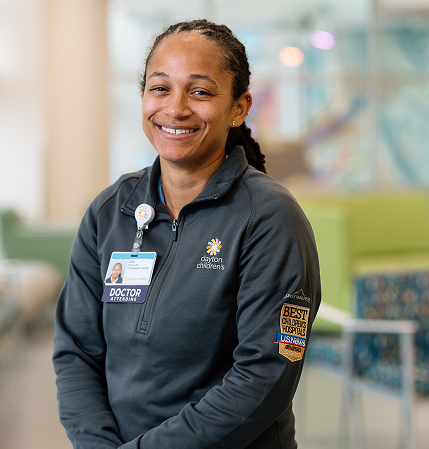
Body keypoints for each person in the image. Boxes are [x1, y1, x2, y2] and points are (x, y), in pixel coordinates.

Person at [53, 19, 320, 449]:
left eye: (200, 91)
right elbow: (77, 352)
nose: (175, 108)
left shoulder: (269, 219)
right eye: (160, 88)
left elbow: (264, 375)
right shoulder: (109, 213)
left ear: (238, 107)